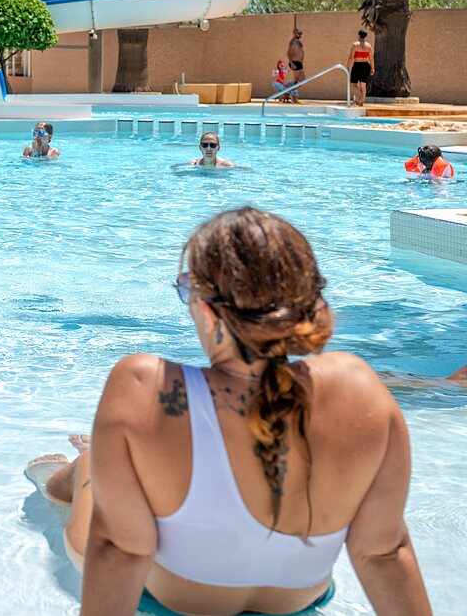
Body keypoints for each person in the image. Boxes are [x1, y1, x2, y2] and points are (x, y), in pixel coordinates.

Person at [25, 208, 432, 616]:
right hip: (296, 607)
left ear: (207, 309)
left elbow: (120, 552)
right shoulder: (361, 389)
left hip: (167, 605)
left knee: (99, 461)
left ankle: (76, 468)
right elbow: (383, 553)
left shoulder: (144, 386)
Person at [348, 30, 374, 107]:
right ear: (365, 36)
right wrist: (372, 68)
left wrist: (347, 67)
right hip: (366, 66)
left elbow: (351, 57)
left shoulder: (355, 45)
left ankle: (361, 96)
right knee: (363, 85)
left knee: (353, 84)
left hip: (357, 65)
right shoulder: (368, 46)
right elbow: (371, 58)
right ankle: (361, 100)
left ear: (359, 35)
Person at [287, 27, 305, 101]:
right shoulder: (293, 42)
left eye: (301, 33)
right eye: (299, 33)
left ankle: (290, 91)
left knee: (301, 80)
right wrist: (292, 63)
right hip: (295, 62)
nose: (300, 35)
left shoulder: (298, 42)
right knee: (296, 81)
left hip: (299, 63)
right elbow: (288, 53)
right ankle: (290, 93)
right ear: (294, 33)